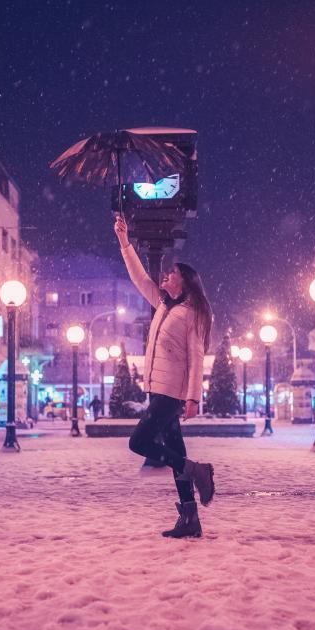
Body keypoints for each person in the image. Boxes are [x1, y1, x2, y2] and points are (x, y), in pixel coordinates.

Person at [114, 215, 215, 538]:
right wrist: (124, 242)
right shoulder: (163, 305)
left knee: (139, 442)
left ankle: (195, 470)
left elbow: (197, 357)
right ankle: (190, 519)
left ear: (184, 281)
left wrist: (193, 397)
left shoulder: (193, 313)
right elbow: (139, 277)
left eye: (171, 273)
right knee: (175, 450)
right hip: (158, 389)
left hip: (172, 392)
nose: (165, 276)